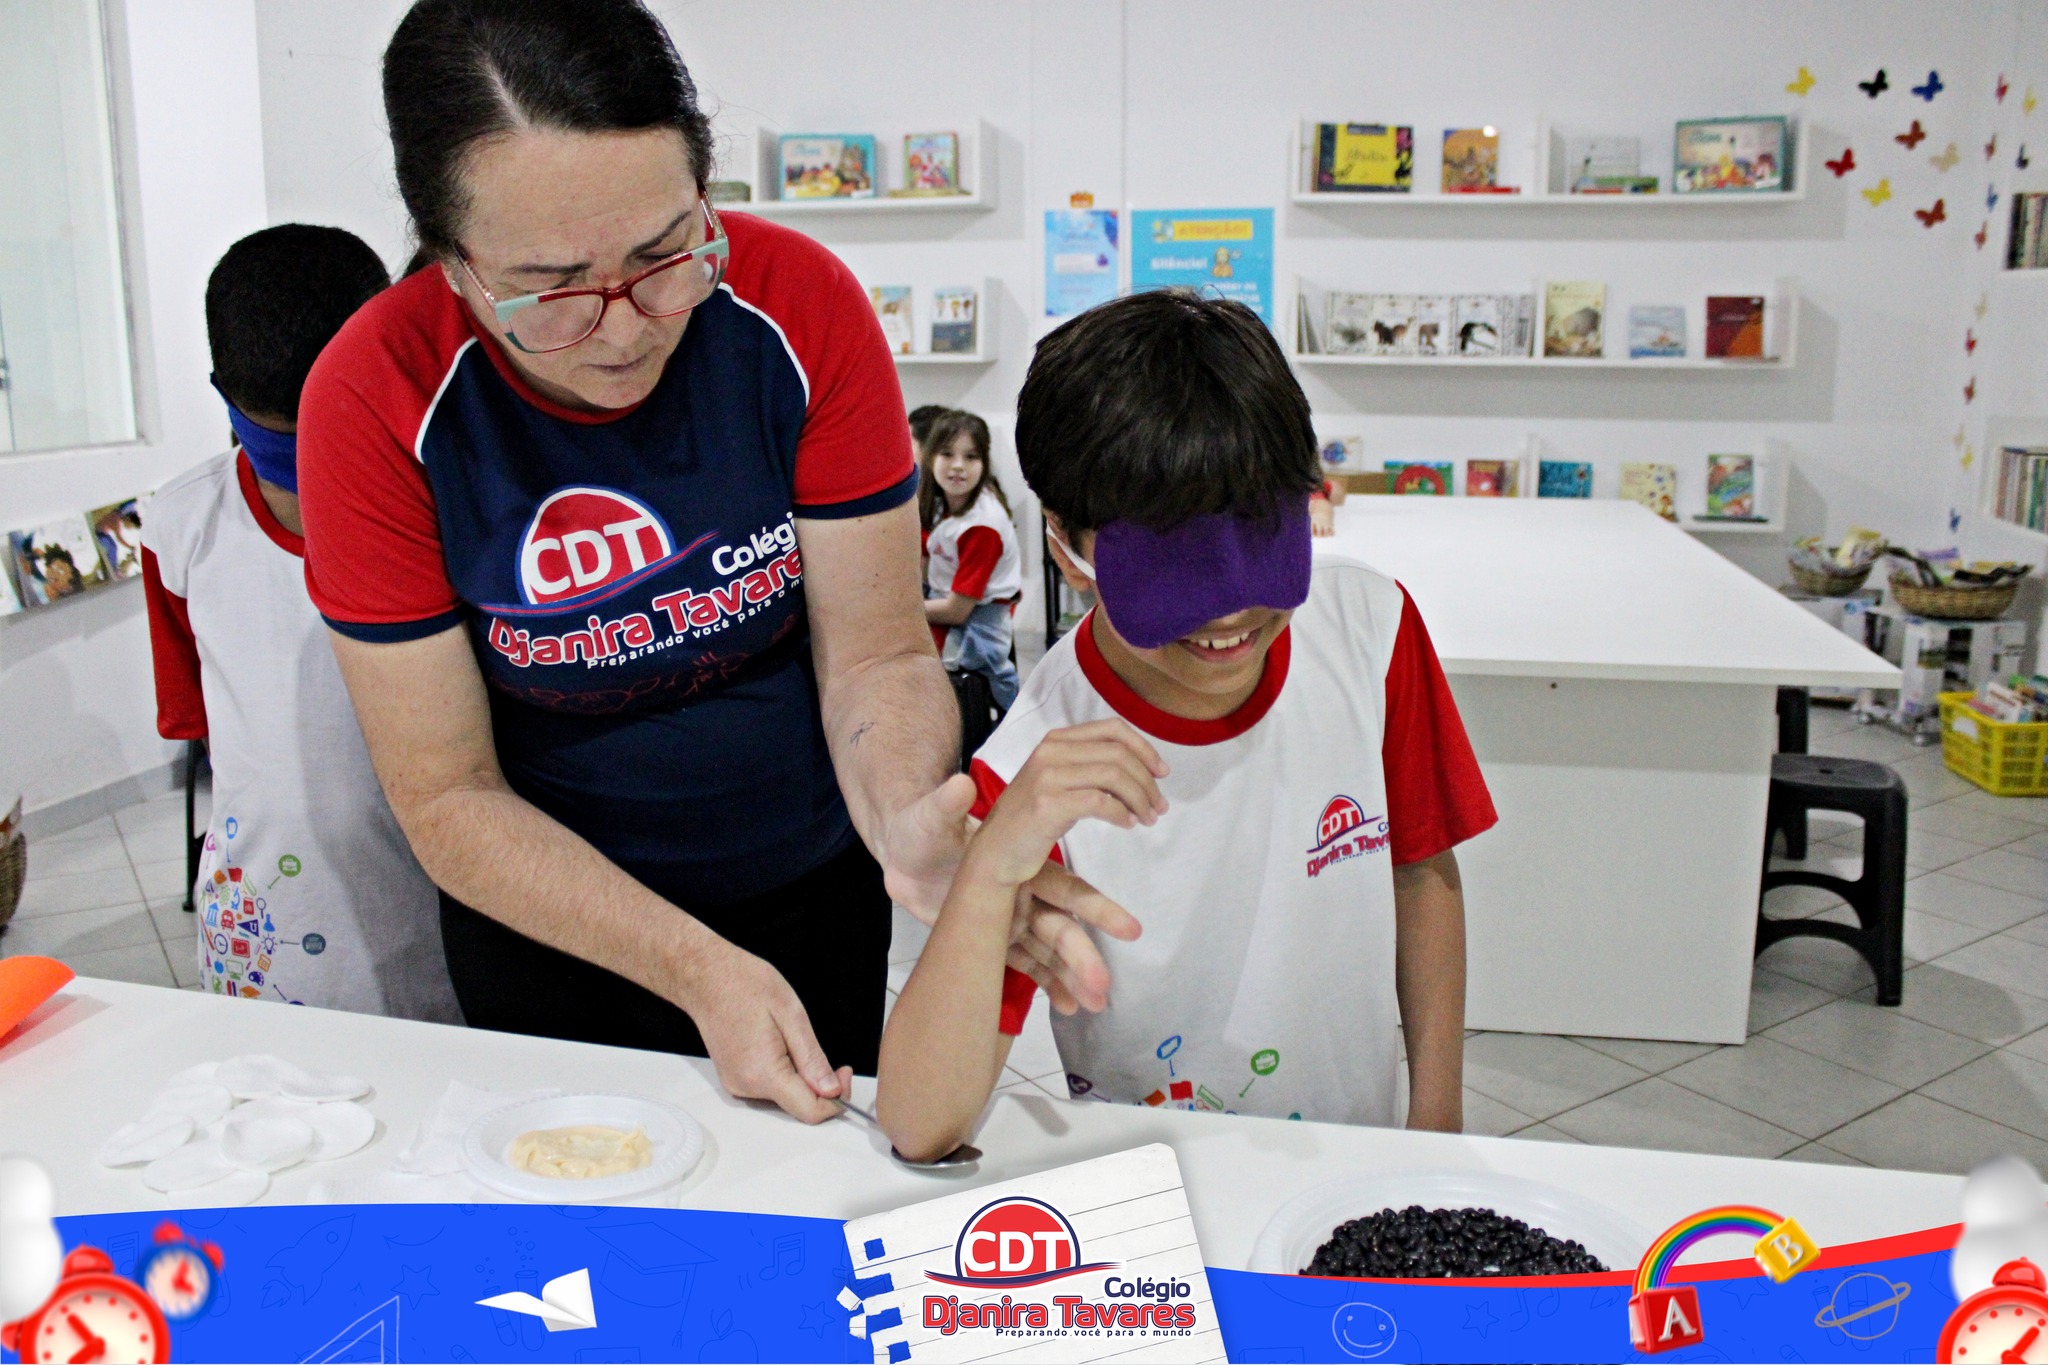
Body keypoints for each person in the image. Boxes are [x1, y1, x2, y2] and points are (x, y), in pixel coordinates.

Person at [297, 0, 1081, 1123]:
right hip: (555, 927)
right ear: (451, 262)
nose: (624, 329)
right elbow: (446, 792)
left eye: (666, 255)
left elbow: (871, 651)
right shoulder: (373, 397)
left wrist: (908, 819)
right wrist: (692, 966)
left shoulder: (795, 307)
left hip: (814, 883)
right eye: (553, 287)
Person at [876, 291, 1497, 1162]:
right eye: (1175, 566)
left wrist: (1436, 1120)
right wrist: (990, 867)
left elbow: (1422, 867)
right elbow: (917, 1121)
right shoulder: (1037, 764)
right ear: (1066, 545)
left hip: (1359, 1161)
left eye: (1259, 536)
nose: (1232, 613)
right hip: (1164, 1190)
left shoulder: (1372, 628)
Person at [142, 224, 460, 1022]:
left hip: (447, 910)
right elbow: (197, 721)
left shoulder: (453, 510)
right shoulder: (181, 526)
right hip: (273, 923)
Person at [919, 409, 1021, 711]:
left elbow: (956, 612)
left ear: (984, 462)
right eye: (947, 454)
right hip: (948, 602)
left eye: (971, 457)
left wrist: (900, 610)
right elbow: (922, 560)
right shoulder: (940, 501)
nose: (958, 466)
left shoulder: (982, 527)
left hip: (976, 626)